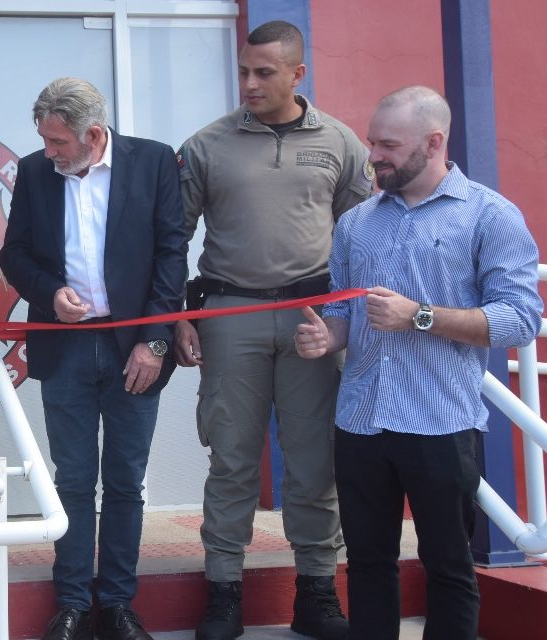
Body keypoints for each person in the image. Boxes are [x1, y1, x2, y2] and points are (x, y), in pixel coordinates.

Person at [295, 85, 543, 640]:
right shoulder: (357, 223)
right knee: (366, 563)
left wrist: (420, 317)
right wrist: (327, 337)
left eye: (388, 145)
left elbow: (521, 319)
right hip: (361, 420)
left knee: (448, 566)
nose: (373, 156)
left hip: (440, 422)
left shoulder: (490, 216)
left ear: (433, 143)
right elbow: (344, 309)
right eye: (372, 142)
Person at [172, 20, 374, 640]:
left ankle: (316, 593)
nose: (250, 83)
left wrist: (346, 324)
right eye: (243, 71)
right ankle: (223, 594)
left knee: (314, 462)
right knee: (231, 459)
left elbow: (364, 239)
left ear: (297, 74)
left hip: (315, 319)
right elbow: (170, 239)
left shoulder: (340, 144)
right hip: (231, 315)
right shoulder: (206, 145)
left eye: (264, 72)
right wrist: (177, 314)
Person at [0, 77, 188, 640]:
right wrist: (50, 293)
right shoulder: (35, 172)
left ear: (95, 134)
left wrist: (155, 341)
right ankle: (74, 603)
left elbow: (171, 255)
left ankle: (118, 605)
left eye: (58, 141)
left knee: (126, 480)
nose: (48, 152)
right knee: (74, 480)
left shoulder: (153, 162)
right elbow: (14, 254)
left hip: (136, 347)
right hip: (66, 348)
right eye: (44, 139)